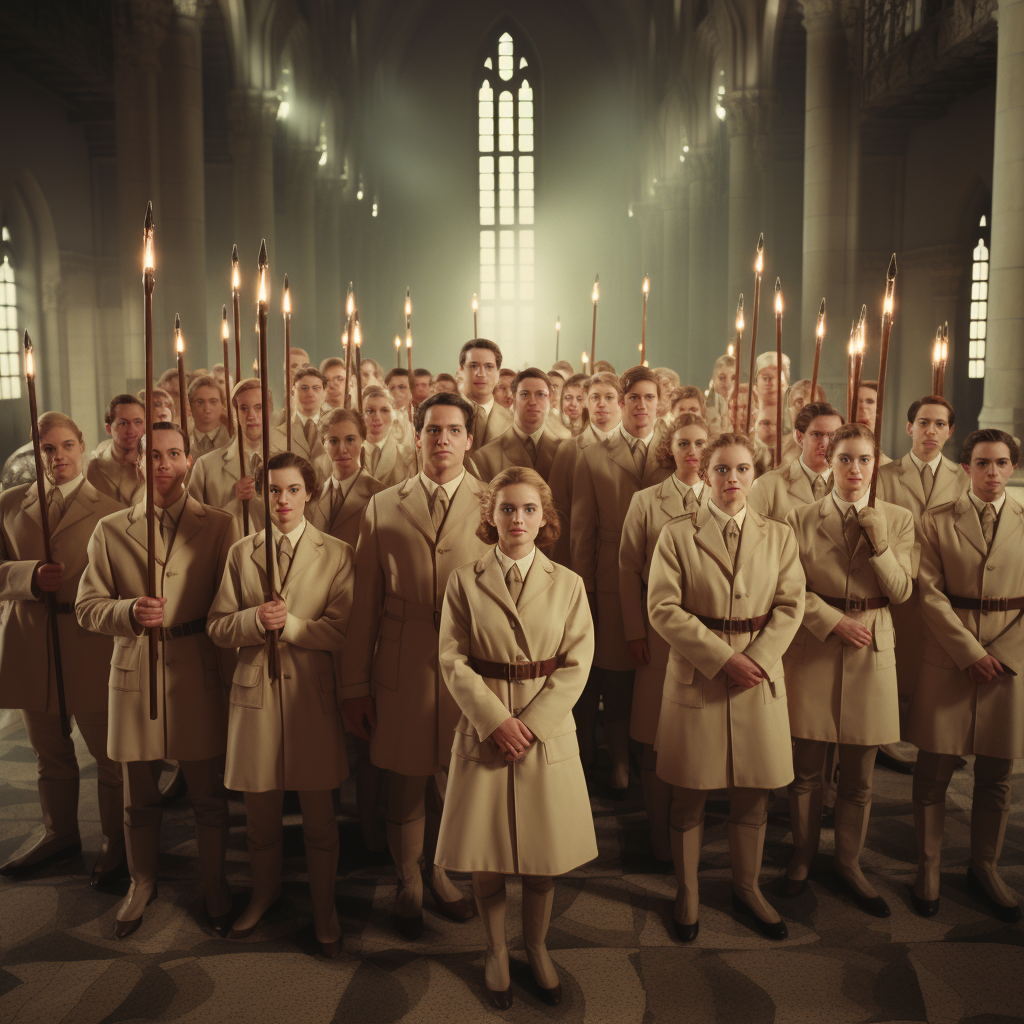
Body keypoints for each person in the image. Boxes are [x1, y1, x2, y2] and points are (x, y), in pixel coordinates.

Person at [436, 467, 596, 1009]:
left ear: (545, 518)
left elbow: (578, 664)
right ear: (490, 516)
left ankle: (536, 944)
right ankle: (495, 951)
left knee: (541, 852)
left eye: (529, 509)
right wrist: (494, 721)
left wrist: (531, 723)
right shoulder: (463, 579)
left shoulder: (568, 583)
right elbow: (452, 658)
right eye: (506, 509)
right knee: (487, 850)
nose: (518, 519)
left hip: (543, 729)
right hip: (486, 724)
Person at [76, 422, 238, 938]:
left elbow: (231, 603)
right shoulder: (111, 528)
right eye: (154, 455)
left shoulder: (217, 525)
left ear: (189, 460)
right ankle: (141, 881)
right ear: (138, 462)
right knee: (137, 792)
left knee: (208, 793)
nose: (163, 463)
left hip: (197, 665)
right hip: (135, 668)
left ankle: (214, 883)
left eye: (174, 454)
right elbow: (86, 607)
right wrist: (126, 611)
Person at [341, 391, 491, 938]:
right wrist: (354, 684)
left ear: (469, 439)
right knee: (405, 777)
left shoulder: (493, 501)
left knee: (455, 777)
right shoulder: (383, 504)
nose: (443, 440)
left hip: (467, 660)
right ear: (417, 434)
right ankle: (407, 878)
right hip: (401, 657)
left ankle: (442, 872)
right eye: (432, 430)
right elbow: (363, 606)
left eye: (454, 430)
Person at [649, 432, 804, 942]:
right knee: (689, 794)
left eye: (741, 470)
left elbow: (790, 605)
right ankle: (687, 890)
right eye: (721, 470)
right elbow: (663, 609)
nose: (731, 479)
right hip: (700, 673)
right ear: (705, 473)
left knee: (753, 795)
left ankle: (747, 886)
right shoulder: (676, 533)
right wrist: (722, 659)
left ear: (754, 475)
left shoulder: (779, 534)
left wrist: (755, 659)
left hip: (758, 675)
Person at [207, 452, 354, 957]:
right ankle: (263, 895)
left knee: (319, 817)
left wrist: (290, 626)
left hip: (310, 697)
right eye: (273, 490)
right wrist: (253, 620)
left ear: (309, 493)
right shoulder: (242, 552)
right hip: (255, 695)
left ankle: (324, 909)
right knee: (260, 814)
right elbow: (218, 626)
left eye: (293, 489)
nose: (283, 500)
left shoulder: (336, 553)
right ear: (263, 494)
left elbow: (340, 631)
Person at [782, 422, 914, 915]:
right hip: (817, 644)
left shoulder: (898, 519)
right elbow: (790, 588)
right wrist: (832, 621)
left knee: (860, 774)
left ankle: (849, 862)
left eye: (864, 460)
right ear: (828, 463)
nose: (854, 469)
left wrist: (880, 544)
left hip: (872, 648)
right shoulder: (799, 518)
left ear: (875, 464)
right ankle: (801, 854)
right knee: (806, 770)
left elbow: (901, 592)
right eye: (844, 459)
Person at [0, 412, 126, 885]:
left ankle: (116, 838)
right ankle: (60, 832)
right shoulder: (10, 503)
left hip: (88, 640)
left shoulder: (111, 508)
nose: (57, 458)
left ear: (83, 446)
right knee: (48, 751)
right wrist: (26, 575)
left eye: (66, 446)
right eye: (47, 449)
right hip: (32, 640)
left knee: (108, 753)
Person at [907, 428, 1024, 922]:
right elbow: (928, 593)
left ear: (1013, 468)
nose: (992, 472)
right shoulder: (937, 521)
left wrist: (1001, 652)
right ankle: (928, 866)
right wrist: (969, 652)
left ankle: (985, 865)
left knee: (997, 774)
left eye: (1001, 463)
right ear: (967, 467)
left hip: (1011, 658)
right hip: (951, 654)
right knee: (934, 769)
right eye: (982, 463)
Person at [571, 366, 671, 792]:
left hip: (668, 574)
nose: (642, 406)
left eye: (650, 398)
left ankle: (651, 752)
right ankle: (618, 759)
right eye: (633, 398)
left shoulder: (674, 452)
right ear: (620, 402)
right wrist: (585, 593)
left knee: (658, 670)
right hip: (612, 572)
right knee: (614, 671)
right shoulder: (594, 455)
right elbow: (581, 532)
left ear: (660, 403)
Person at [619, 413, 708, 861]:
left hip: (711, 640)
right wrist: (634, 631)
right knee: (655, 738)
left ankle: (688, 829)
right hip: (659, 635)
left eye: (700, 444)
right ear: (668, 449)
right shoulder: (647, 501)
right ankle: (657, 834)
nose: (693, 452)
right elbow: (628, 569)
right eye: (684, 443)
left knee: (697, 739)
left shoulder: (725, 497)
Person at [306, 408, 388, 852]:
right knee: (325, 730)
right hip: (319, 621)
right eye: (334, 441)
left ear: (364, 443)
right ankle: (329, 821)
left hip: (360, 619)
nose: (342, 450)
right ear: (323, 444)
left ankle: (372, 823)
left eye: (351, 440)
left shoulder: (381, 495)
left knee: (365, 728)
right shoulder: (311, 496)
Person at [877, 395, 968, 770]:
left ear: (950, 431)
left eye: (940, 424)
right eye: (924, 423)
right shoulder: (883, 475)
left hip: (944, 583)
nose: (931, 431)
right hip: (898, 580)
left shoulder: (963, 477)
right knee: (895, 663)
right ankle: (885, 741)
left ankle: (939, 740)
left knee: (938, 665)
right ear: (909, 427)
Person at [188, 378, 286, 534]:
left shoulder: (288, 462)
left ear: (270, 410)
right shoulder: (206, 466)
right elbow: (193, 524)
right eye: (244, 408)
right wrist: (232, 499)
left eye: (259, 408)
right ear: (234, 413)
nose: (251, 416)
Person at [548, 371, 622, 569]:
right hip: (578, 552)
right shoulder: (569, 449)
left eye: (609, 397)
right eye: (595, 397)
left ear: (620, 402)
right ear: (586, 403)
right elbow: (558, 511)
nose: (601, 404)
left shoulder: (631, 448)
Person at [748, 402, 844, 518]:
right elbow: (752, 534)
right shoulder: (767, 486)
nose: (825, 444)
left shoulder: (850, 485)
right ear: (800, 437)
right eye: (817, 434)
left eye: (832, 436)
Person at [469, 368, 561, 482]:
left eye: (540, 394)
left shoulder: (565, 451)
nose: (532, 402)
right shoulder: (486, 456)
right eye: (525, 394)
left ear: (550, 399)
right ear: (513, 399)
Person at [88, 395, 146, 508]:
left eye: (137, 422)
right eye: (123, 423)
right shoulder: (94, 468)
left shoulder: (156, 464)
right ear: (108, 428)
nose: (131, 430)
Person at [459, 339, 513, 453]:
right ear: (461, 370)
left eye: (489, 367)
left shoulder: (513, 421)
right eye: (473, 366)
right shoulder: (443, 414)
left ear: (498, 373)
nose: (481, 374)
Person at [361, 384, 417, 487]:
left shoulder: (406, 455)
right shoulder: (354, 452)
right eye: (370, 411)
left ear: (393, 414)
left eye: (384, 410)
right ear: (361, 415)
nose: (377, 418)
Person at [187, 375, 230, 458]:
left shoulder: (233, 439)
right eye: (200, 402)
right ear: (190, 406)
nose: (207, 409)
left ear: (222, 405)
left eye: (213, 402)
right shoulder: (183, 439)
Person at [706, 354, 736, 423]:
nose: (728, 384)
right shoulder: (705, 408)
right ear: (714, 379)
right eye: (722, 378)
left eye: (733, 378)